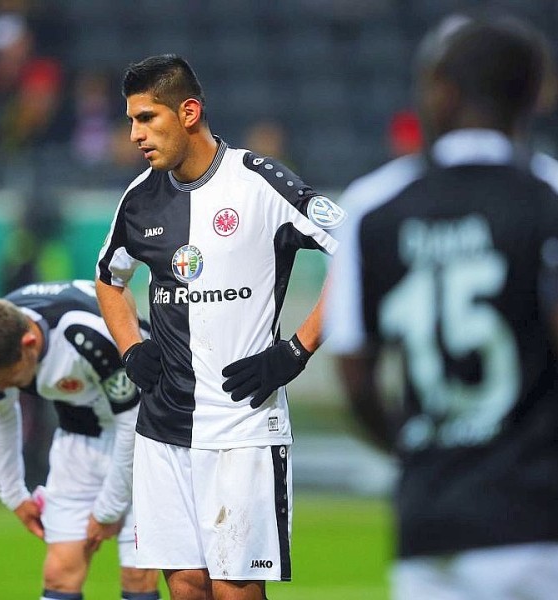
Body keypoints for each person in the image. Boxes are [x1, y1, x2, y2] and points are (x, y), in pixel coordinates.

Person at [325, 14, 558, 600]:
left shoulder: (372, 208)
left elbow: (358, 381)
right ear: (536, 93)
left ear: (439, 90)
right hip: (546, 526)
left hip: (430, 536)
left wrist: (429, 454)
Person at [95, 54, 344, 600]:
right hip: (162, 426)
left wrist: (296, 351)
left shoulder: (260, 182)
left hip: (241, 426)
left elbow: (354, 252)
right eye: (131, 120)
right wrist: (132, 347)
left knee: (233, 589)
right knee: (184, 586)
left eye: (146, 118)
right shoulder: (139, 199)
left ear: (188, 112)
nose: (134, 134)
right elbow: (109, 281)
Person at [0, 279, 160, 600]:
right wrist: (13, 495)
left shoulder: (91, 333)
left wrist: (108, 508)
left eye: (9, 379)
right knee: (60, 574)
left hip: (147, 442)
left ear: (30, 342)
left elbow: (131, 421)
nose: (5, 388)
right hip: (77, 445)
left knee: (138, 574)